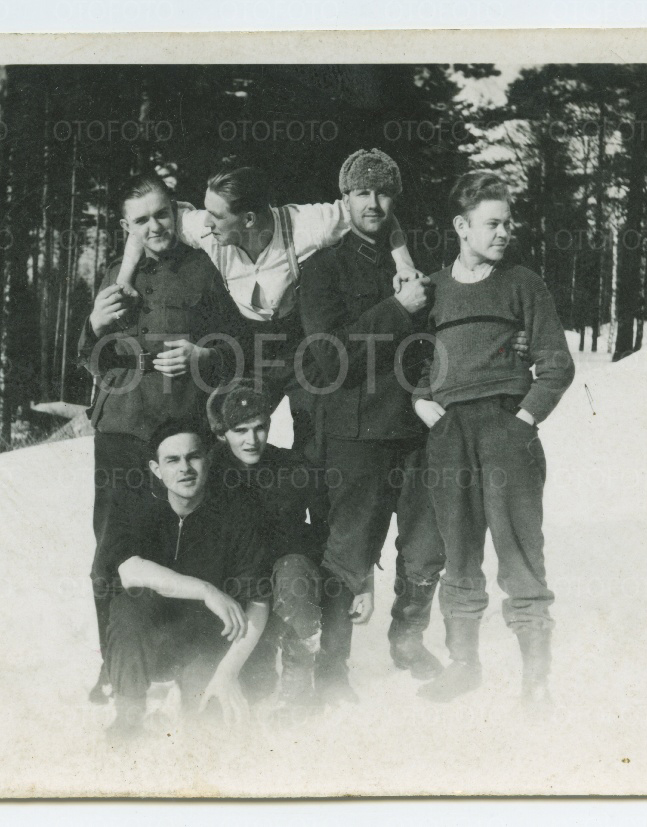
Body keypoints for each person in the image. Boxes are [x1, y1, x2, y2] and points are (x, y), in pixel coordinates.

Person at [112, 165, 422, 459]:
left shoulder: (307, 225)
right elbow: (143, 225)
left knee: (315, 441)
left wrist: (404, 264)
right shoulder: (204, 228)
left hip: (300, 347)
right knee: (230, 430)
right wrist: (124, 278)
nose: (207, 222)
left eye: (216, 216)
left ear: (248, 219)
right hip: (250, 348)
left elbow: (373, 212)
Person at [78, 172, 244, 705]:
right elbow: (89, 358)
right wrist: (92, 324)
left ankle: (188, 655)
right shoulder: (115, 274)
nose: (155, 226)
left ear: (176, 213)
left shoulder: (200, 270)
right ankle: (114, 663)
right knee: (112, 552)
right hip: (122, 431)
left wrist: (202, 356)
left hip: (182, 430)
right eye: (142, 219)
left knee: (188, 547)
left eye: (162, 214)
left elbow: (239, 348)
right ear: (125, 226)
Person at [412, 171, 575, 705]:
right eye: (492, 223)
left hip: (507, 428)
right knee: (458, 550)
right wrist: (422, 402)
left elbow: (556, 363)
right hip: (449, 433)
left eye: (508, 223)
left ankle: (536, 678)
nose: (504, 232)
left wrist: (523, 419)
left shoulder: (523, 283)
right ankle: (464, 664)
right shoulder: (432, 290)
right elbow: (413, 358)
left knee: (519, 549)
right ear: (462, 227)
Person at [297, 148, 451, 704]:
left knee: (426, 548)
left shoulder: (417, 265)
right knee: (347, 552)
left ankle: (407, 641)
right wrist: (397, 308)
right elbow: (325, 360)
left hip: (419, 430)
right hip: (357, 434)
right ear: (344, 200)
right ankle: (332, 666)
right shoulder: (322, 269)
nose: (373, 203)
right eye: (362, 192)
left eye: (383, 192)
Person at [103, 419, 271, 742]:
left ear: (207, 460)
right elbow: (130, 570)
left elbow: (259, 602)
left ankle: (197, 698)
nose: (185, 468)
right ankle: (128, 718)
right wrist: (206, 590)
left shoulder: (237, 512)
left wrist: (227, 673)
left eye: (193, 457)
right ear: (156, 469)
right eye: (172, 460)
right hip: (155, 641)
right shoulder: (139, 506)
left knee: (207, 732)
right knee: (127, 607)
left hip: (209, 643)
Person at [205, 380, 327, 719]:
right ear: (222, 434)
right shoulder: (209, 472)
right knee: (254, 684)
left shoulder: (291, 466)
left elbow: (325, 527)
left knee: (295, 573)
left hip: (282, 577)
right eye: (240, 430)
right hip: (238, 584)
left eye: (259, 428)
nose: (252, 440)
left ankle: (298, 687)